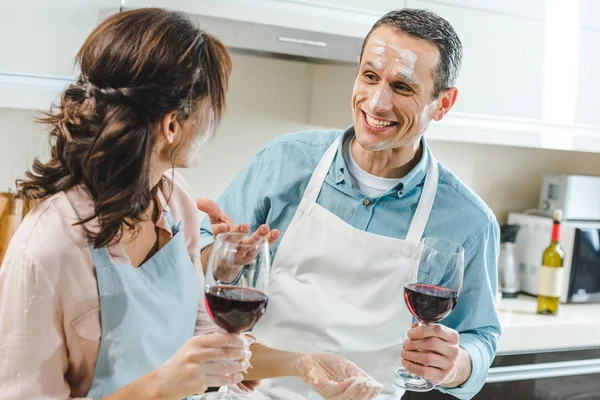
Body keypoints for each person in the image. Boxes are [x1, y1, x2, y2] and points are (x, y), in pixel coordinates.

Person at [199, 8, 501, 400]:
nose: (376, 104)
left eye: (403, 87)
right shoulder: (284, 162)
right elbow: (206, 263)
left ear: (443, 104)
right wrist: (222, 258)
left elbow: (481, 336)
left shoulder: (468, 220)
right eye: (370, 76)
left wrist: (456, 364)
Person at [0, 8, 251, 400]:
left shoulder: (174, 199)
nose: (216, 120)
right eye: (210, 106)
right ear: (171, 126)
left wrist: (297, 360)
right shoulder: (46, 250)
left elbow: (199, 335)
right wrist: (158, 387)